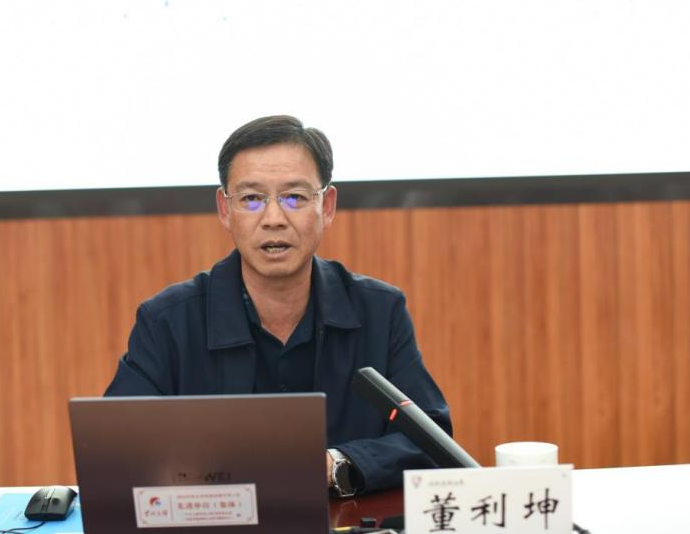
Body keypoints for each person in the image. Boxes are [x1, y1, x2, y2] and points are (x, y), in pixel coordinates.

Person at [105, 115, 453, 496]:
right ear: (225, 209)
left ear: (327, 206)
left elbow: (431, 442)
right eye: (252, 199)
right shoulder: (167, 323)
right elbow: (116, 449)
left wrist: (338, 464)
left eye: (294, 198)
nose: (273, 219)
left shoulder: (380, 313)